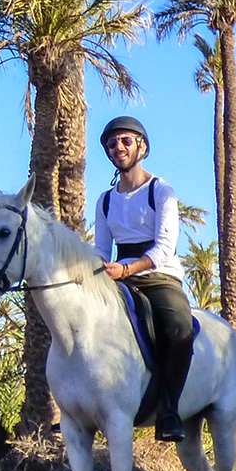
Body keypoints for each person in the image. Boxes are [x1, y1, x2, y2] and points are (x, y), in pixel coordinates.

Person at [93, 115, 194, 443]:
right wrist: (95, 271)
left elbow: (164, 248)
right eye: (112, 143)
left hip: (157, 276)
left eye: (125, 141)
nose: (118, 147)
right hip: (118, 279)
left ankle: (169, 411)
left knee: (179, 327)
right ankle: (82, 405)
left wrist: (127, 270)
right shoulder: (105, 200)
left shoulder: (161, 191)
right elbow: (101, 249)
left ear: (142, 146)